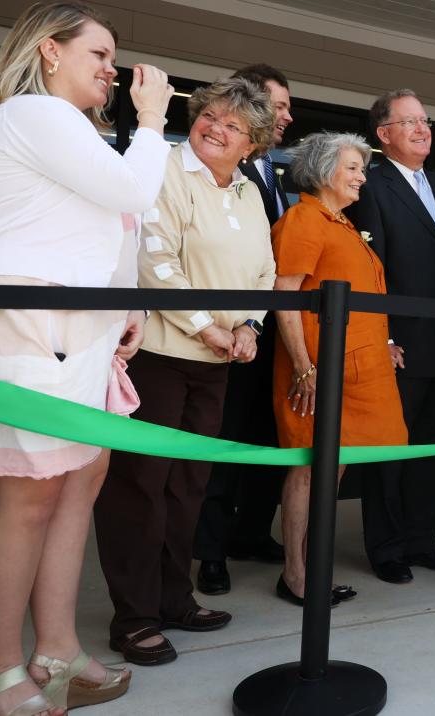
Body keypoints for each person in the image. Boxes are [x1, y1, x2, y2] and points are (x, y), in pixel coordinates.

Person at [0, 1, 171, 716]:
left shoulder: (72, 133)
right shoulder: (33, 115)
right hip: (30, 317)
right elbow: (135, 190)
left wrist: (127, 312)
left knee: (79, 481)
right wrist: (155, 121)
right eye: (100, 55)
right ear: (49, 50)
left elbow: (110, 231)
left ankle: (58, 650)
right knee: (29, 491)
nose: (113, 71)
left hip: (84, 327)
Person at [94, 77, 277, 665]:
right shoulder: (166, 171)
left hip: (216, 360)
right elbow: (155, 260)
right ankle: (134, 617)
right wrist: (208, 326)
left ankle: (176, 598)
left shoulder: (248, 192)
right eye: (211, 116)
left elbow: (263, 272)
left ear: (252, 145)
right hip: (159, 355)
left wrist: (248, 326)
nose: (216, 128)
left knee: (189, 486)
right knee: (140, 487)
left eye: (234, 126)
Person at [271, 131, 408, 605]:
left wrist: (383, 342)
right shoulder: (305, 219)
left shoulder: (343, 224)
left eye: (362, 169)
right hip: (319, 371)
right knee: (309, 471)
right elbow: (284, 297)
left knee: (333, 472)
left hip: (359, 371)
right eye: (352, 168)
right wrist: (303, 367)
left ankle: (313, 567)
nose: (361, 178)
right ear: (324, 170)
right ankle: (295, 574)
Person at [344, 89, 435, 585]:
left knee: (432, 451)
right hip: (398, 343)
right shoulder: (370, 187)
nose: (422, 129)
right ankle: (387, 547)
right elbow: (370, 272)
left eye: (426, 121)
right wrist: (383, 335)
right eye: (409, 122)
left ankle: (421, 539)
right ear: (384, 134)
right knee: (389, 453)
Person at [194, 63, 295, 596]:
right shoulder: (218, 172)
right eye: (278, 106)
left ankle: (250, 533)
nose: (287, 116)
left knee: (263, 440)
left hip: (267, 335)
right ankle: (210, 553)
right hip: (221, 336)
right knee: (222, 445)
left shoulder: (270, 174)